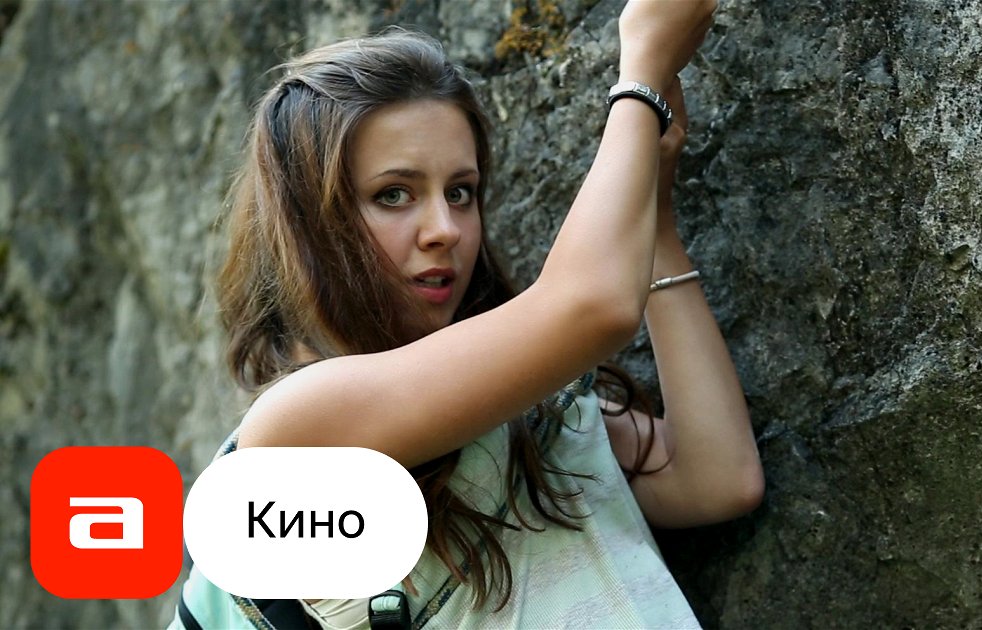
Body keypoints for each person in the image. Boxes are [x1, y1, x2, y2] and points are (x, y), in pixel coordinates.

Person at [173, 0, 761, 627]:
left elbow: (717, 478)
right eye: (393, 194)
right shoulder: (297, 429)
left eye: (460, 192)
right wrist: (640, 70)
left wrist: (654, 213)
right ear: (310, 225)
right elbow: (594, 307)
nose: (445, 229)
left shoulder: (525, 409)